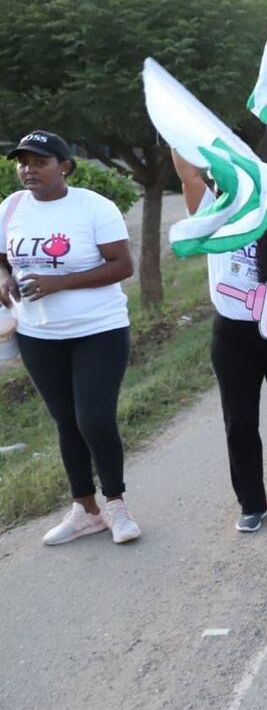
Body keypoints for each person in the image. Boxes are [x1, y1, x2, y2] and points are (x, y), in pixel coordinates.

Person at [172, 150, 267, 533]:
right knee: (239, 422)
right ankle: (252, 503)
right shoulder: (216, 220)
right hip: (233, 337)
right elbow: (190, 176)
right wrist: (177, 129)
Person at [0, 131, 139, 545]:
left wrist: (61, 282)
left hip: (98, 330)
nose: (28, 169)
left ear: (64, 166)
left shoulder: (94, 207)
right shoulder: (11, 207)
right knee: (65, 422)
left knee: (94, 418)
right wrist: (4, 277)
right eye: (22, 162)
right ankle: (85, 510)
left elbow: (122, 265)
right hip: (38, 334)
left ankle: (116, 505)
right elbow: (2, 258)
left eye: (39, 162)